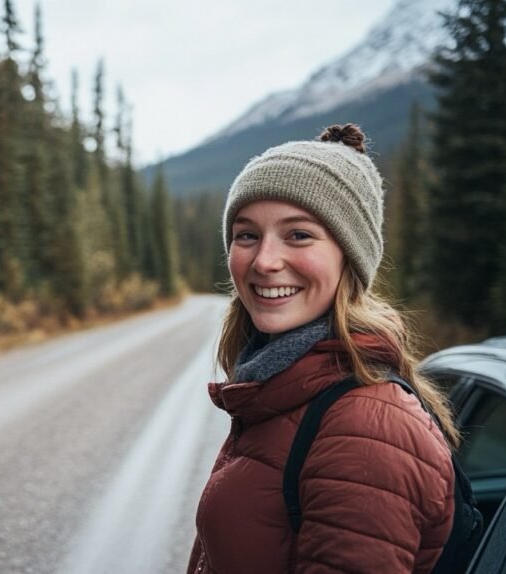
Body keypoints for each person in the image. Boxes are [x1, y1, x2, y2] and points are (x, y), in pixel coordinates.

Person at [186, 124, 459, 574]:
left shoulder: (370, 427)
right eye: (246, 234)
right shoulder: (278, 386)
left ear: (348, 257)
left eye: (298, 235)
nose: (264, 261)